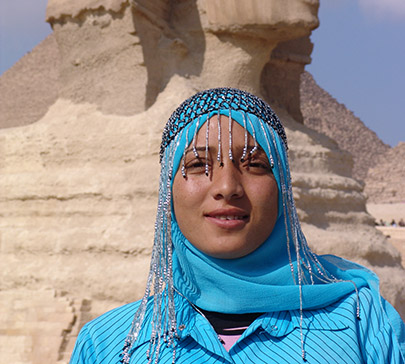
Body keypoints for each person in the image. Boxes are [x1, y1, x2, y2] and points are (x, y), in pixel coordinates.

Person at [70, 87, 405, 363]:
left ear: (283, 188)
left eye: (255, 165)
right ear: (168, 190)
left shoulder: (361, 322)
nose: (227, 186)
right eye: (198, 164)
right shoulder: (107, 345)